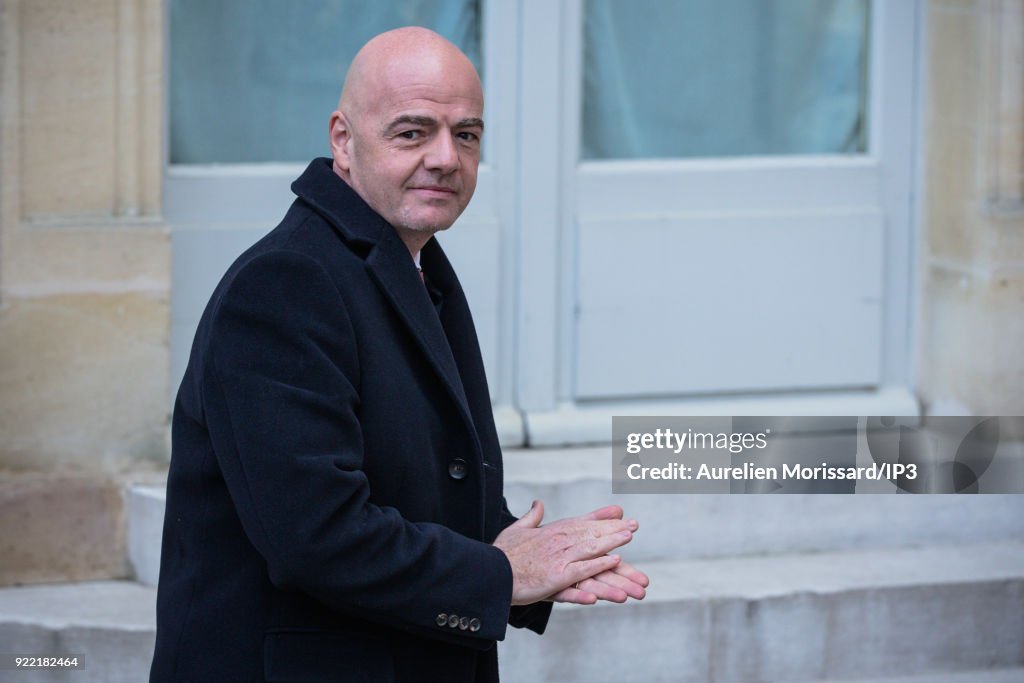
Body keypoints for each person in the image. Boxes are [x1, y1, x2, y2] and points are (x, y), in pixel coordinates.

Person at [150, 27, 647, 683]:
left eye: (466, 134)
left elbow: (412, 482)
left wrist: (525, 550)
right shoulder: (284, 285)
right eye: (413, 132)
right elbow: (315, 536)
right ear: (342, 140)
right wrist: (501, 573)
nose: (446, 157)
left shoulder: (410, 263)